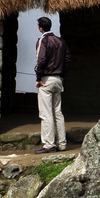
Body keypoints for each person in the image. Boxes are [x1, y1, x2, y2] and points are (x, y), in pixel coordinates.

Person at [34, 16, 70, 154]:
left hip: (46, 79)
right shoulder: (60, 41)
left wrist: (38, 77)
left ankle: (49, 144)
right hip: (58, 79)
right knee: (58, 112)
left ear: (40, 27)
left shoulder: (44, 40)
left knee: (46, 113)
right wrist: (62, 75)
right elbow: (67, 59)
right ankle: (62, 143)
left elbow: (41, 59)